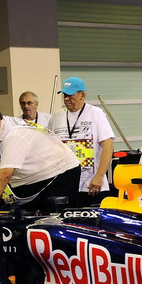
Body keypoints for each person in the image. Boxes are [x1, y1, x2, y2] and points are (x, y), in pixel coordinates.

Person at [0, 106, 80, 213]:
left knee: (50, 217)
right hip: (32, 177)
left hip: (62, 171)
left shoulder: (15, 134)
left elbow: (5, 174)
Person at [49, 77, 115, 206]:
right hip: (66, 185)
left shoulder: (96, 114)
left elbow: (108, 146)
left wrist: (100, 176)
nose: (66, 99)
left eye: (70, 95)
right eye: (64, 95)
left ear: (82, 95)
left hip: (91, 186)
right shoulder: (57, 116)